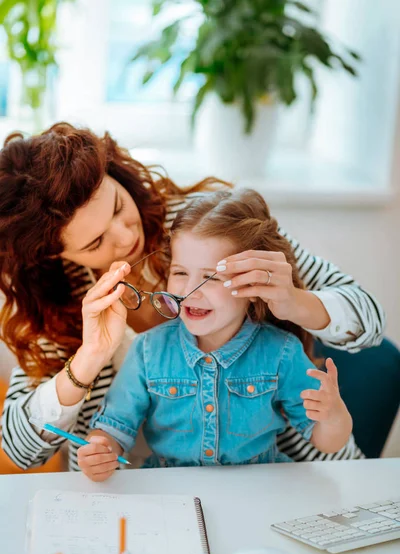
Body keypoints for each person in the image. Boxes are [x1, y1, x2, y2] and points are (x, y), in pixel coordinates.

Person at [0, 123, 383, 472]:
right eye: (96, 242)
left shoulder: (207, 225)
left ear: (115, 175)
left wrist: (294, 301)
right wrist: (88, 359)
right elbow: (18, 448)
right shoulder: (56, 298)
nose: (124, 236)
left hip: (278, 476)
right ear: (56, 254)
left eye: (118, 207)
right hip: (129, 492)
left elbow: (370, 322)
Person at [79, 190, 353, 481]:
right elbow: (113, 426)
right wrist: (100, 449)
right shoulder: (147, 350)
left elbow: (327, 441)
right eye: (181, 273)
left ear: (254, 284)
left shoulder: (281, 352)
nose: (190, 291)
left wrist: (334, 417)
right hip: (170, 494)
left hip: (260, 491)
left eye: (213, 278)